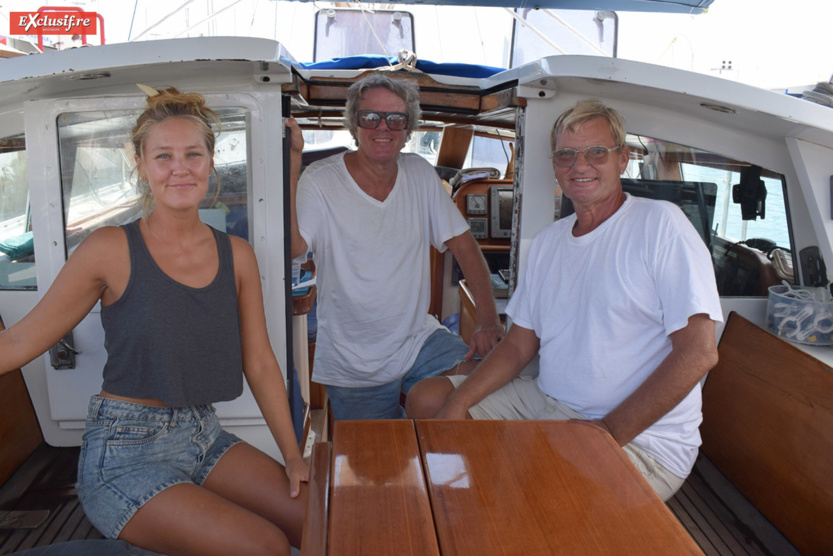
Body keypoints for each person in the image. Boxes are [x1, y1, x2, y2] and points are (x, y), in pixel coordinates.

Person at [0, 87, 307, 556]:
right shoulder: (108, 248)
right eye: (163, 156)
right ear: (141, 166)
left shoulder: (238, 256)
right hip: (125, 452)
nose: (180, 168)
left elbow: (261, 362)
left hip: (203, 433)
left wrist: (292, 456)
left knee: (319, 517)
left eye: (193, 154)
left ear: (210, 162)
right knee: (263, 546)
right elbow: (20, 340)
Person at [406, 99, 722, 501]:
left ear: (622, 159)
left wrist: (607, 433)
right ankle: (464, 511)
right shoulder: (550, 242)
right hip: (548, 400)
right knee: (429, 399)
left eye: (596, 152)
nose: (580, 165)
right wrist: (457, 404)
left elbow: (698, 354)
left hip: (641, 439)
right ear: (555, 165)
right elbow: (519, 345)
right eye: (566, 155)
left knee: (540, 491)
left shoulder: (661, 225)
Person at [286, 73, 504, 420]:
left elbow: (465, 247)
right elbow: (295, 248)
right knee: (373, 467)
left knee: (490, 381)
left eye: (395, 118)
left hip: (419, 339)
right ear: (354, 124)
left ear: (408, 128)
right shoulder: (321, 181)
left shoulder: (419, 173)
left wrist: (488, 321)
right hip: (354, 361)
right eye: (370, 117)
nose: (382, 127)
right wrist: (293, 159)